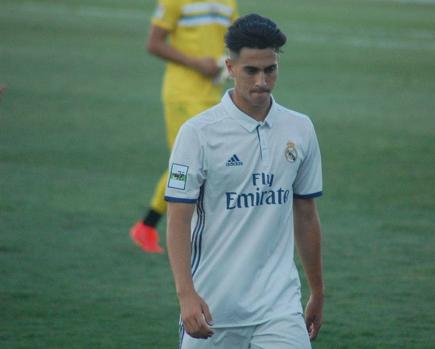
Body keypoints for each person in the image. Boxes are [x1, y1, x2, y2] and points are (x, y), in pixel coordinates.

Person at [165, 13, 324, 349]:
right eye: (251, 70)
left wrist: (317, 291)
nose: (262, 81)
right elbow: (178, 218)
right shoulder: (197, 134)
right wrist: (186, 295)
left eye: (270, 69)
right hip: (213, 306)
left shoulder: (300, 128)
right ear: (231, 67)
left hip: (279, 306)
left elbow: (306, 213)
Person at [130, 0, 239, 253]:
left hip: (213, 94)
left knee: (194, 163)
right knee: (190, 163)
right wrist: (196, 63)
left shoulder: (228, 2)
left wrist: (227, 62)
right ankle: (175, 230)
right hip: (182, 94)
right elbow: (154, 43)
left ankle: (147, 226)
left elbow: (235, 42)